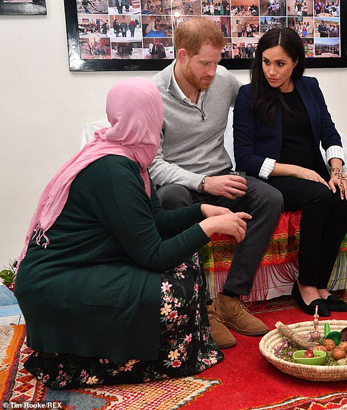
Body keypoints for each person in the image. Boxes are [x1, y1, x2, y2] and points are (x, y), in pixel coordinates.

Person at [13, 77, 252, 389]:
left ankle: (186, 340)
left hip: (85, 264)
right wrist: (208, 227)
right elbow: (151, 255)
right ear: (147, 118)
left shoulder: (128, 157)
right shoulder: (112, 168)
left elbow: (153, 219)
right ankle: (138, 357)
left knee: (187, 263)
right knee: (173, 292)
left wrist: (201, 211)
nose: (162, 120)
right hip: (59, 283)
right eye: (157, 112)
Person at [150, 18, 283, 348]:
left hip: (224, 176)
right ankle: (202, 307)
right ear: (182, 56)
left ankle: (230, 300)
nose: (213, 71)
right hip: (180, 184)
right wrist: (203, 182)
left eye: (217, 63)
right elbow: (153, 165)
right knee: (172, 201)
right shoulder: (152, 95)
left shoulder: (223, 81)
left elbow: (258, 110)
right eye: (205, 64)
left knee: (270, 197)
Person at [233, 27, 347, 317]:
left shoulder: (310, 87)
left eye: (280, 64)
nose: (271, 71)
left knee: (345, 197)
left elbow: (329, 131)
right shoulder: (248, 95)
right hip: (272, 178)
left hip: (311, 174)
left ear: (296, 63)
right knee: (318, 197)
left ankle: (320, 283)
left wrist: (336, 171)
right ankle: (304, 284)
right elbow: (245, 158)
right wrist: (300, 172)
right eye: (266, 62)